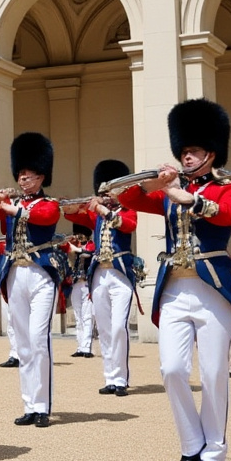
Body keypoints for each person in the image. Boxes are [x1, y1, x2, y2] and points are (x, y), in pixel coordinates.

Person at [118, 99, 231, 461]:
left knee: (213, 374)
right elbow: (127, 199)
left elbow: (225, 214)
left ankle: (214, 454)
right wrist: (156, 182)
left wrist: (183, 195)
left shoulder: (227, 189)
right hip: (174, 287)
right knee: (172, 369)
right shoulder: (169, 190)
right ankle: (191, 445)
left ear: (211, 153)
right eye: (184, 150)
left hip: (213, 289)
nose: (186, 156)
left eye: (194, 150)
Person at [0, 132, 62, 428]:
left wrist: (7, 206)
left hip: (40, 274)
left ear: (41, 176)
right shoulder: (12, 203)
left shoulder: (48, 204)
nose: (23, 179)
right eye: (20, 173)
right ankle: (30, 405)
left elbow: (42, 218)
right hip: (15, 274)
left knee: (38, 340)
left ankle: (43, 405)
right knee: (23, 343)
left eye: (29, 174)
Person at [66, 159, 139, 396]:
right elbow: (72, 215)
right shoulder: (95, 213)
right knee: (105, 329)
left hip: (120, 274)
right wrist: (73, 205)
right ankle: (111, 377)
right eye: (104, 191)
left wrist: (102, 210)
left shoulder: (127, 210)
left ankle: (121, 378)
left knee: (119, 327)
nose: (107, 195)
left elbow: (127, 225)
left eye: (110, 191)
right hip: (98, 274)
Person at [62, 224, 96, 358]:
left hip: (87, 283)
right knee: (78, 316)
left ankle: (87, 347)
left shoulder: (91, 245)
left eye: (80, 234)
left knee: (87, 316)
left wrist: (75, 248)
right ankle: (80, 346)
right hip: (76, 283)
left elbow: (88, 253)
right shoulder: (76, 245)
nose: (78, 236)